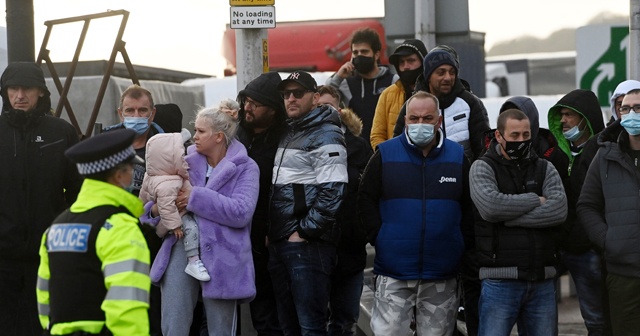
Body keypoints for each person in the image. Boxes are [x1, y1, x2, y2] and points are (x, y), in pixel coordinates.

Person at [357, 91, 474, 336]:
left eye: (427, 118)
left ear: (439, 121)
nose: (420, 124)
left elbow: (469, 208)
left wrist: (459, 243)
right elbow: (365, 198)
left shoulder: (457, 158)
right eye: (414, 118)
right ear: (406, 120)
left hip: (442, 274)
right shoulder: (385, 155)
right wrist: (380, 237)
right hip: (394, 271)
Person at [143, 106, 259, 336]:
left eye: (200, 131)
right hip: (179, 249)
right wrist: (156, 210)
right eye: (194, 130)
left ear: (218, 136)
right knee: (173, 326)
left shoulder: (246, 167)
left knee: (221, 330)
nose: (194, 136)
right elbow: (152, 201)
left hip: (224, 256)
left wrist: (195, 198)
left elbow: (241, 212)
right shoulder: (184, 160)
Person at [36, 128, 151, 335]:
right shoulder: (120, 227)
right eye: (130, 169)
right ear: (118, 175)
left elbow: (45, 298)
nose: (133, 175)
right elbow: (127, 307)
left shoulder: (56, 227)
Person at [0, 61, 83, 336]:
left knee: (44, 326)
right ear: (5, 92)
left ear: (41, 93)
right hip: (3, 258)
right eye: (13, 88)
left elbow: (78, 192)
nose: (19, 96)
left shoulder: (61, 132)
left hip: (48, 255)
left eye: (27, 89)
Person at [470, 109, 567, 336]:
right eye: (514, 136)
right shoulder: (482, 167)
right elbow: (491, 207)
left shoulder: (545, 168)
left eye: (526, 135)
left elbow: (559, 210)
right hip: (499, 281)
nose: (521, 141)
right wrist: (536, 199)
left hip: (541, 278)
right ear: (499, 136)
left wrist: (510, 219)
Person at [269, 71, 348, 335]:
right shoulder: (291, 130)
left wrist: (304, 232)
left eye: (298, 93)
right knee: (289, 326)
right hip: (285, 242)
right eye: (286, 94)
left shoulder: (326, 133)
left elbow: (334, 191)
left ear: (315, 98)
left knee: (311, 327)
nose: (290, 98)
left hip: (308, 246)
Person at [577, 88, 640, 336]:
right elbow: (587, 205)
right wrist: (609, 240)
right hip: (622, 274)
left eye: (638, 107)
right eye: (625, 108)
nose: (631, 113)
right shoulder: (605, 155)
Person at [103, 84, 165, 335]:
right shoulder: (105, 146)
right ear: (120, 113)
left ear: (153, 113)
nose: (136, 116)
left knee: (153, 312)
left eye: (142, 110)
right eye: (130, 110)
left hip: (155, 242)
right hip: (114, 240)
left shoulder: (168, 146)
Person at [547, 89, 609, 335]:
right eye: (561, 115)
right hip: (557, 248)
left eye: (569, 115)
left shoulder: (602, 154)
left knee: (596, 317)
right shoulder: (556, 156)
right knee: (543, 318)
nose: (563, 121)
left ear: (585, 118)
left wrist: (591, 239)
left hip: (589, 250)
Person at [318, 84, 373, 335]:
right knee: (315, 321)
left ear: (339, 110)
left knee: (346, 320)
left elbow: (369, 195)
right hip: (316, 249)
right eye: (317, 108)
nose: (322, 113)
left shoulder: (359, 147)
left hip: (351, 249)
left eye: (328, 107)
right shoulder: (300, 148)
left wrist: (364, 231)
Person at [236, 71, 287, 335]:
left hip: (272, 238)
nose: (248, 107)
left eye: (256, 103)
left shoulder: (284, 142)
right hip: (242, 236)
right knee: (259, 309)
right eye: (246, 100)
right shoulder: (237, 137)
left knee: (277, 311)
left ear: (274, 110)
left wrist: (273, 228)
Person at [393, 48, 490, 162]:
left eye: (452, 72)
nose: (448, 78)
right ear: (428, 76)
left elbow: (483, 148)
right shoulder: (413, 104)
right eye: (441, 72)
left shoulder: (469, 102)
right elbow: (398, 147)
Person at [139, 130, 211, 282]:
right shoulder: (169, 183)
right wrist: (175, 226)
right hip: (174, 220)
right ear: (169, 159)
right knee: (192, 229)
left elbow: (143, 198)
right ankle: (193, 260)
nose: (184, 158)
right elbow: (166, 207)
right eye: (180, 155)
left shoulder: (153, 175)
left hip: (163, 221)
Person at [326, 27, 397, 142]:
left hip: (384, 147)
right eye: (355, 52)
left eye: (364, 52)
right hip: (357, 152)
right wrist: (338, 77)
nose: (359, 56)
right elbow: (326, 98)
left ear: (377, 54)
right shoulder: (346, 84)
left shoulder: (392, 81)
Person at [370, 39, 428, 149]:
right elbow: (377, 135)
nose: (406, 66)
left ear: (423, 61)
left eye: (411, 60)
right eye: (401, 62)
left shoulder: (434, 92)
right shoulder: (387, 94)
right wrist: (388, 157)